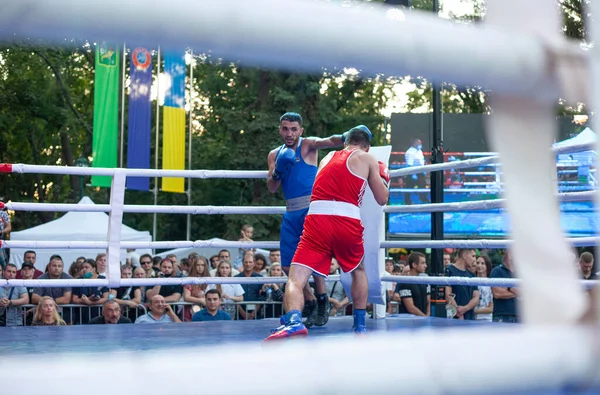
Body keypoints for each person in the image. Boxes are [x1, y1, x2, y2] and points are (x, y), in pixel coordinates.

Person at [265, 125, 389, 340]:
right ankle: (359, 327)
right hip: (346, 220)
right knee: (358, 271)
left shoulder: (327, 157)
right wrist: (384, 179)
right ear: (367, 147)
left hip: (316, 221)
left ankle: (293, 321)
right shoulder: (367, 158)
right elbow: (382, 198)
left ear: (346, 141)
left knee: (295, 277)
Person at [266, 112, 344, 328]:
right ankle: (308, 300)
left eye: (293, 129)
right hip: (291, 213)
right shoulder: (274, 154)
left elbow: (329, 141)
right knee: (286, 266)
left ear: (301, 130)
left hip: (311, 210)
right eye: (285, 128)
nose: (289, 133)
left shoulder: (308, 145)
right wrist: (278, 172)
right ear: (280, 129)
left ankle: (322, 302)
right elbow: (272, 188)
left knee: (315, 258)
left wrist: (348, 137)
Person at [403, 138, 427, 205]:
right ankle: (407, 201)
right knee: (409, 187)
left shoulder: (419, 151)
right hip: (412, 173)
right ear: (414, 143)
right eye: (418, 143)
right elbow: (409, 165)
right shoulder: (410, 152)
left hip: (420, 172)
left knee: (422, 186)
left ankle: (424, 199)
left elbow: (421, 161)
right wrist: (413, 174)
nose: (420, 145)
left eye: (420, 143)